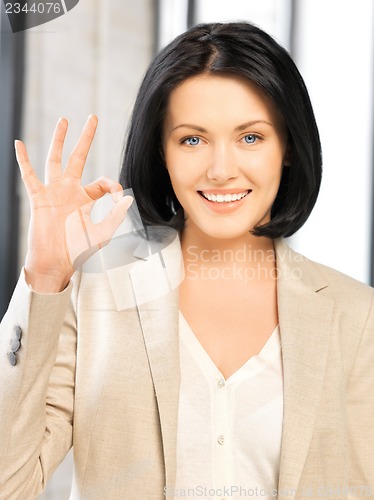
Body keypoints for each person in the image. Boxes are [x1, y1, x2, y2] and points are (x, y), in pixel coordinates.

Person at [0, 21, 373, 500]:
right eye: (192, 139)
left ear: (289, 149)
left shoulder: (356, 316)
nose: (220, 170)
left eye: (251, 138)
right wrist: (45, 277)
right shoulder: (93, 298)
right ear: (162, 150)